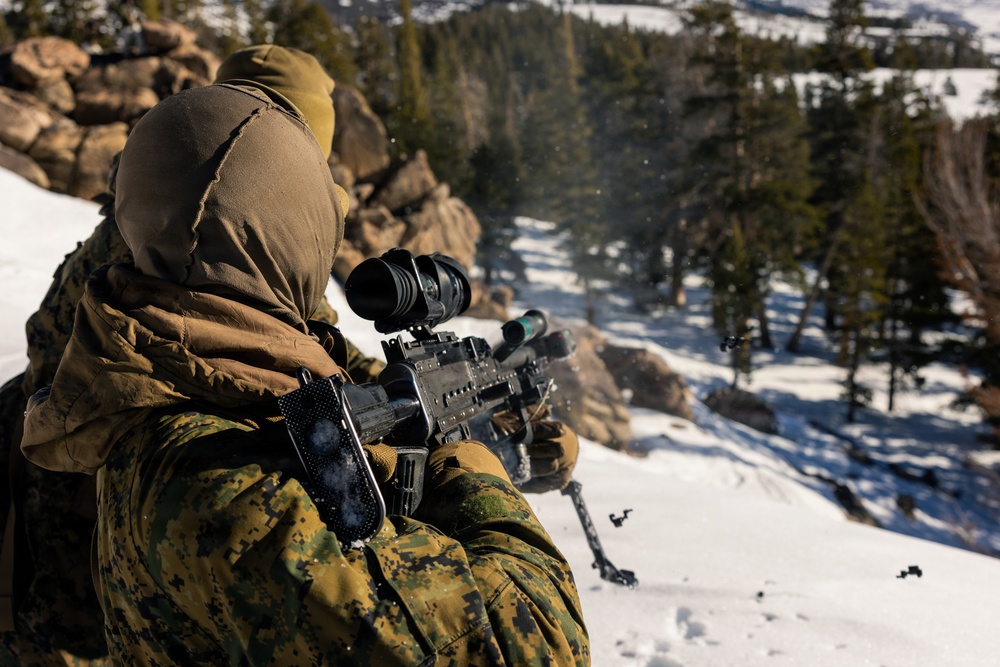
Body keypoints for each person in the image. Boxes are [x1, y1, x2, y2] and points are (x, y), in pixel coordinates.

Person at [20, 79, 589, 665]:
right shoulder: (228, 483)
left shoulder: (170, 364)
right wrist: (475, 471)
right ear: (287, 238)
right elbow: (541, 648)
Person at [0, 45, 381, 666]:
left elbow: (300, 346)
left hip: (90, 557)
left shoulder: (152, 216)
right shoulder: (191, 251)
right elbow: (290, 354)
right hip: (80, 573)